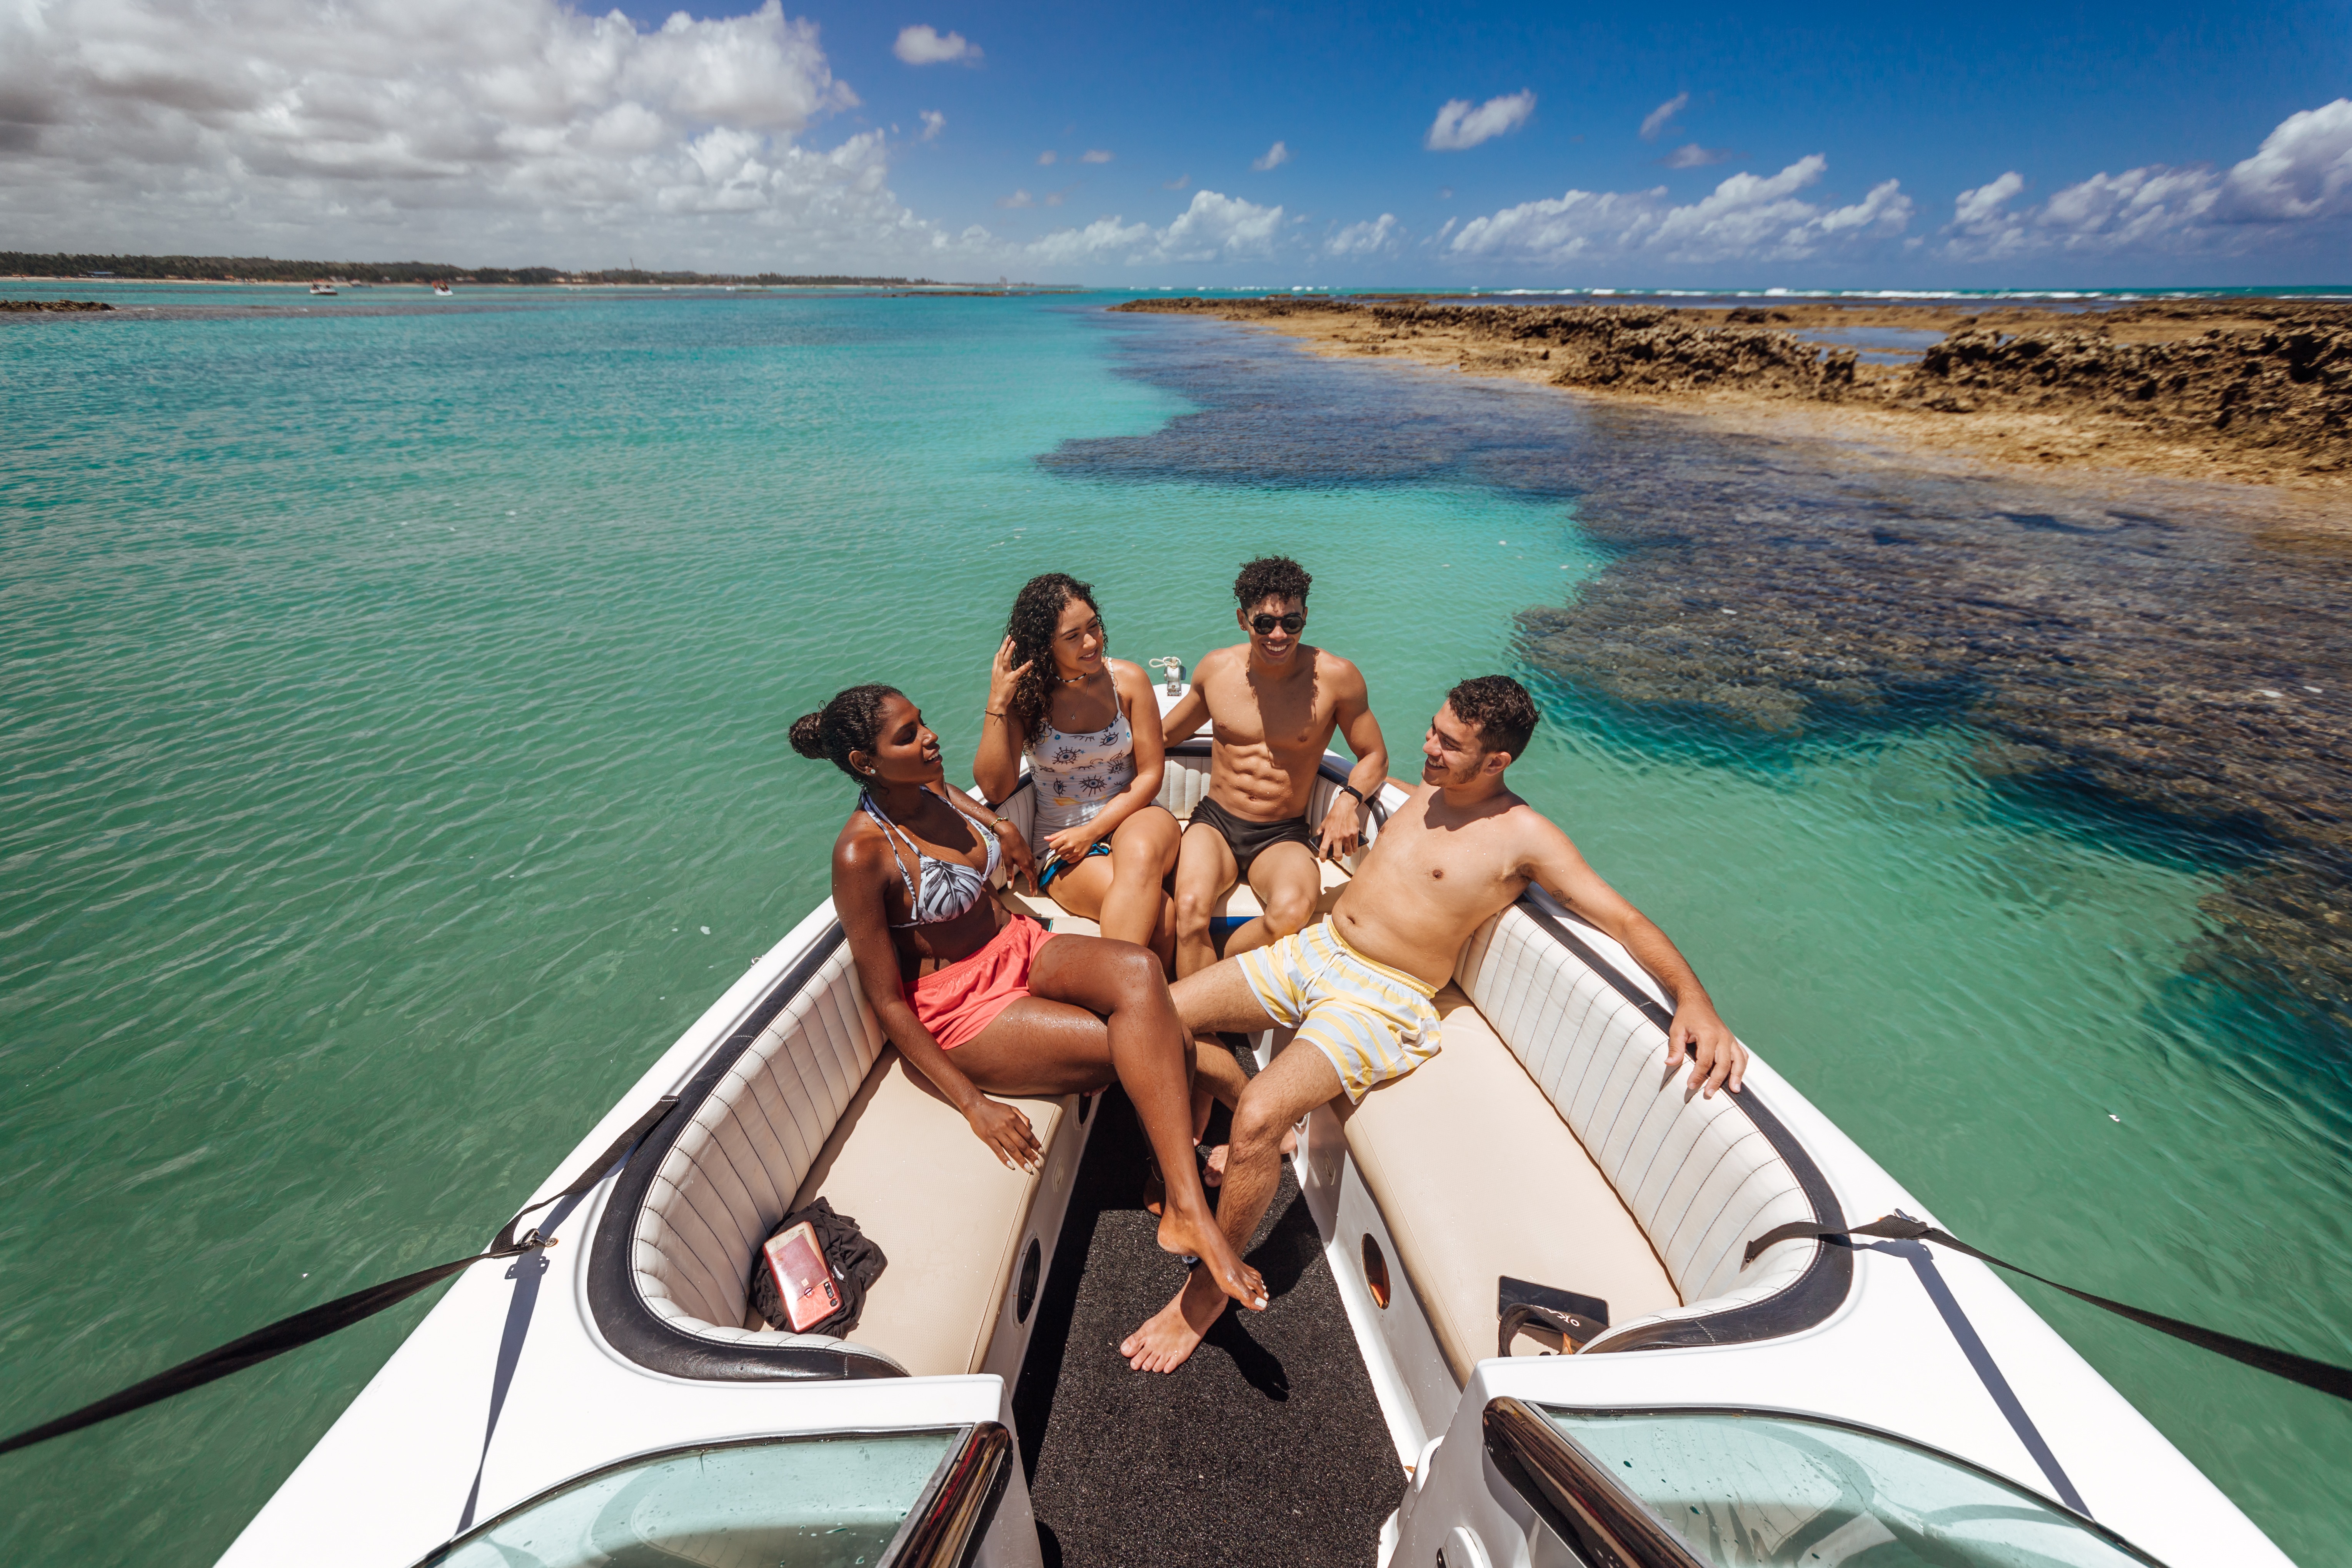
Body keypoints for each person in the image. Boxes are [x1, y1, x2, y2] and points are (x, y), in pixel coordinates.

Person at [1121, 675, 1747, 1372]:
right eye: (1431, 729)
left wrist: (1693, 999)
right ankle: (1243, 1115)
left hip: (1382, 997)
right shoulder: (1426, 789)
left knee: (1262, 1115)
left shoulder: (1525, 836)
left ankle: (1206, 1294)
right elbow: (1374, 797)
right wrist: (1352, 801)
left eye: (1448, 743)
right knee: (1152, 1018)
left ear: (1496, 761)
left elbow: (1622, 918)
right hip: (1317, 950)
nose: (1427, 747)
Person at [791, 683, 1266, 1317]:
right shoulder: (860, 853)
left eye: (923, 720)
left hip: (1016, 942)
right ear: (864, 762)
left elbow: (954, 796)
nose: (930, 736)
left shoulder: (929, 787)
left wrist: (996, 826)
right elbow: (887, 1002)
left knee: (1140, 971)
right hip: (960, 1007)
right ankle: (1183, 1195)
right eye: (906, 735)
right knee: (1148, 1041)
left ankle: (1180, 1195)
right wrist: (973, 1106)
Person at [1163, 557, 1390, 981]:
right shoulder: (1216, 669)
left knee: (1292, 913)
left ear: (1306, 617)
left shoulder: (1337, 677)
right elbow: (1162, 736)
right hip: (1215, 823)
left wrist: (1347, 804)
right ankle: (1199, 1024)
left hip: (1283, 831)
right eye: (1264, 623)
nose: (1279, 634)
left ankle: (1206, 983)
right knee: (1189, 910)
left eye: (1292, 621)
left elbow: (1375, 755)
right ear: (1242, 619)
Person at [972, 573, 1183, 971]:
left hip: (1134, 814)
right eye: (1074, 636)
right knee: (1162, 913)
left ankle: (1122, 1006)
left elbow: (1151, 775)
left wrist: (1092, 832)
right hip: (1061, 841)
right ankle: (1156, 1010)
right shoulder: (1027, 699)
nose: (1091, 642)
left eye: (1094, 627)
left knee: (1140, 858)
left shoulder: (1129, 681)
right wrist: (997, 702)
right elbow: (994, 785)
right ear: (1044, 644)